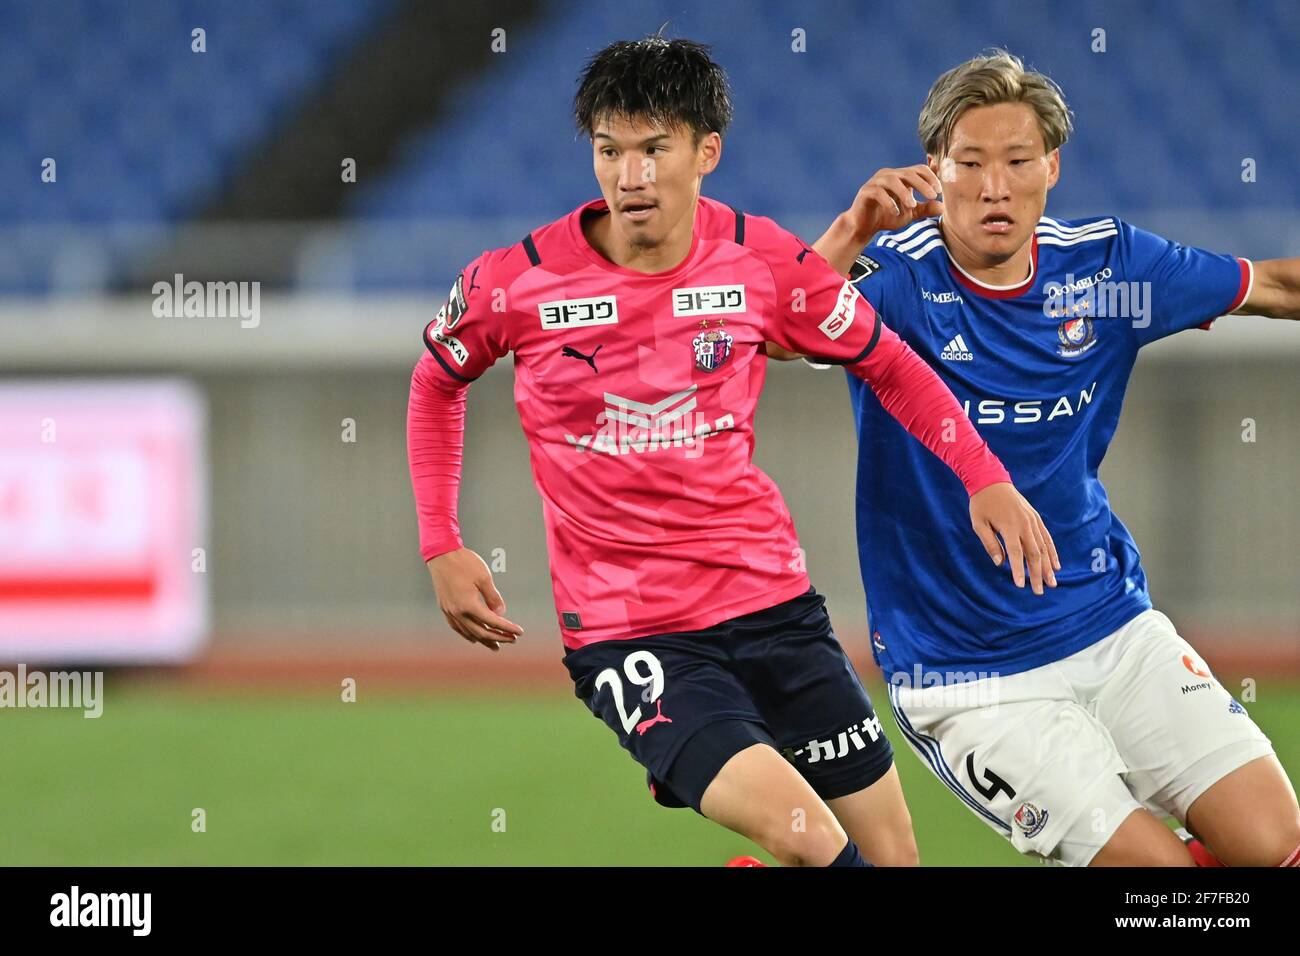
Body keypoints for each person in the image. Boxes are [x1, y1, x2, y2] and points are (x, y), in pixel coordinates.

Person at [407, 38, 1054, 866]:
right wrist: (441, 540)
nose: (630, 177)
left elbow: (889, 362)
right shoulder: (517, 280)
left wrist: (984, 478)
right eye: (610, 151)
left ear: (706, 151)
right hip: (632, 632)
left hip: (773, 606)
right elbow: (436, 382)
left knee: (891, 858)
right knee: (810, 839)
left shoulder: (761, 261)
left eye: (653, 149)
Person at [785, 49, 1300, 866]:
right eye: (972, 163)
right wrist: (850, 231)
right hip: (967, 675)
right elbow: (784, 333)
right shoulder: (893, 281)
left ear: (1051, 166)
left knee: (1273, 845)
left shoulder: (1105, 277)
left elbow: (1273, 288)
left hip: (1110, 624)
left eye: (1018, 162)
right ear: (935, 171)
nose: (995, 187)